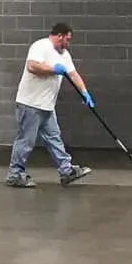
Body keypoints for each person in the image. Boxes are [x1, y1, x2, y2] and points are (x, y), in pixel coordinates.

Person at [7, 21, 94, 188]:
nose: (68, 43)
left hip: (47, 105)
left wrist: (84, 92)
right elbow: (32, 66)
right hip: (30, 103)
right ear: (59, 35)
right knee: (26, 141)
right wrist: (54, 69)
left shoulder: (64, 54)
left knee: (54, 138)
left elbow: (73, 74)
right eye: (66, 40)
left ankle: (66, 171)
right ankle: (15, 175)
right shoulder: (41, 46)